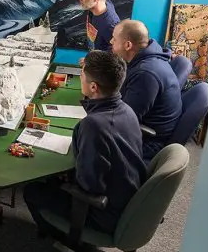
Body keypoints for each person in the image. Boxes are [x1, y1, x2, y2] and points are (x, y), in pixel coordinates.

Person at [24, 51, 145, 236]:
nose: (80, 78)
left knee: (32, 190)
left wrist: (67, 179)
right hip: (126, 195)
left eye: (82, 75)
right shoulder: (126, 109)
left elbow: (89, 185)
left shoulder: (93, 125)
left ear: (93, 87)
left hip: (103, 210)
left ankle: (56, 234)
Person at [111, 19, 182, 160]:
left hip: (148, 142)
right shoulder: (150, 57)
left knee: (90, 137)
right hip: (147, 130)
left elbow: (125, 120)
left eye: (114, 39)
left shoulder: (145, 74)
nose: (110, 41)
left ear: (128, 45)